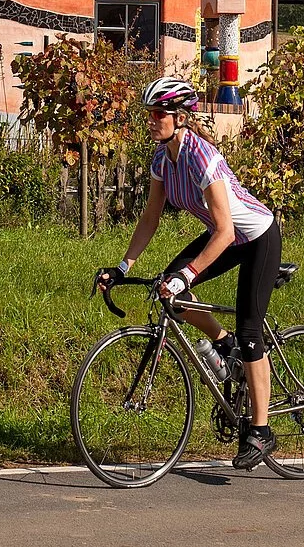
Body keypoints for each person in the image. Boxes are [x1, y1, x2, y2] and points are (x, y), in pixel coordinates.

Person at [94, 75, 284, 470]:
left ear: (180, 117)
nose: (151, 120)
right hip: (224, 238)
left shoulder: (202, 158)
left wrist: (191, 271)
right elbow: (150, 217)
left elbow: (227, 229)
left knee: (252, 330)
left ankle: (261, 431)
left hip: (255, 237)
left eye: (158, 113)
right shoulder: (163, 158)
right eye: (149, 113)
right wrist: (124, 266)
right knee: (171, 291)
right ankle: (222, 340)